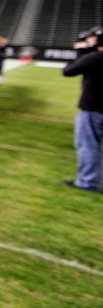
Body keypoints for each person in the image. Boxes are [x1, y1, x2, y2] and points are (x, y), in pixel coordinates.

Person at [61, 25, 103, 193]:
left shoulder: (95, 57)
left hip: (94, 107)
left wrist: (80, 52)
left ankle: (88, 182)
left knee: (88, 145)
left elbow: (69, 71)